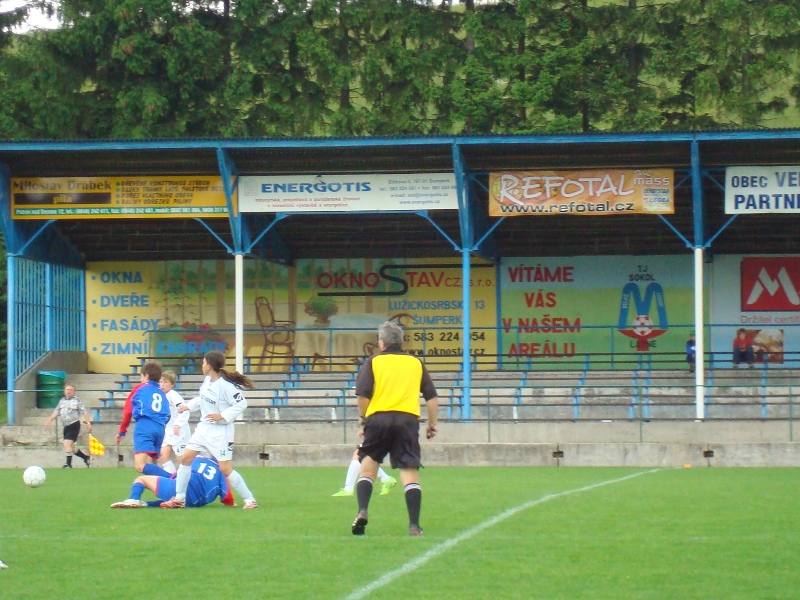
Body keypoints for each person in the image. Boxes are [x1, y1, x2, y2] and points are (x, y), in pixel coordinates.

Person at [350, 321, 438, 537]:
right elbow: (431, 396)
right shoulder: (415, 363)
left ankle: (362, 511)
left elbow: (362, 395)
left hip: (378, 418)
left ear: (381, 343)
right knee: (409, 472)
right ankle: (414, 525)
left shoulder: (373, 362)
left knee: (368, 467)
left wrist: (365, 419)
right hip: (407, 420)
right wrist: (432, 424)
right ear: (401, 341)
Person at [160, 350, 258, 510]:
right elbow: (202, 399)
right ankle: (180, 499)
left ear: (210, 365)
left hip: (220, 433)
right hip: (203, 429)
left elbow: (241, 404)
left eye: (204, 362)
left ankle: (249, 499)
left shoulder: (226, 386)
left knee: (225, 468)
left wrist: (222, 415)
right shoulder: (207, 381)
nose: (202, 365)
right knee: (185, 459)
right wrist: (188, 406)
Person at [110, 455, 235, 508]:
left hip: (178, 489)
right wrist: (232, 504)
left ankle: (133, 499)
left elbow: (179, 474)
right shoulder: (222, 474)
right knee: (169, 498)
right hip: (194, 502)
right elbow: (227, 498)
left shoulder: (197, 458)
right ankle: (146, 504)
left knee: (141, 479)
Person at [114, 362, 171, 473]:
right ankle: (160, 488)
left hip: (145, 426)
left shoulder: (141, 388)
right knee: (151, 465)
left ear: (147, 376)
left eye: (141, 376)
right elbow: (168, 414)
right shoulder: (162, 392)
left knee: (140, 466)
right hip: (160, 428)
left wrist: (122, 431)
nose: (141, 380)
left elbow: (128, 410)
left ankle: (172, 479)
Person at [43, 383, 92, 468]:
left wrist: (88, 422)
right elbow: (56, 412)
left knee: (67, 444)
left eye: (71, 390)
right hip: (66, 426)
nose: (69, 391)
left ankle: (68, 464)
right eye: (67, 390)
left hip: (74, 424)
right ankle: (85, 457)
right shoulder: (62, 401)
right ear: (64, 391)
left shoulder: (77, 401)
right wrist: (49, 420)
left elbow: (85, 412)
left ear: (74, 392)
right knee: (70, 447)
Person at [158, 370, 191, 474]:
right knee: (163, 455)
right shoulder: (160, 396)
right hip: (168, 431)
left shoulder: (173, 395)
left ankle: (189, 480)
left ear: (172, 385)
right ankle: (173, 478)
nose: (162, 384)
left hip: (179, 432)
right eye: (161, 382)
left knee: (181, 460)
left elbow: (184, 410)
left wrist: (178, 424)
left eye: (166, 382)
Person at [332, 447, 397, 497]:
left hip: (378, 433)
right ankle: (386, 479)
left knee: (359, 456)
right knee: (362, 457)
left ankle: (348, 489)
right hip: (378, 433)